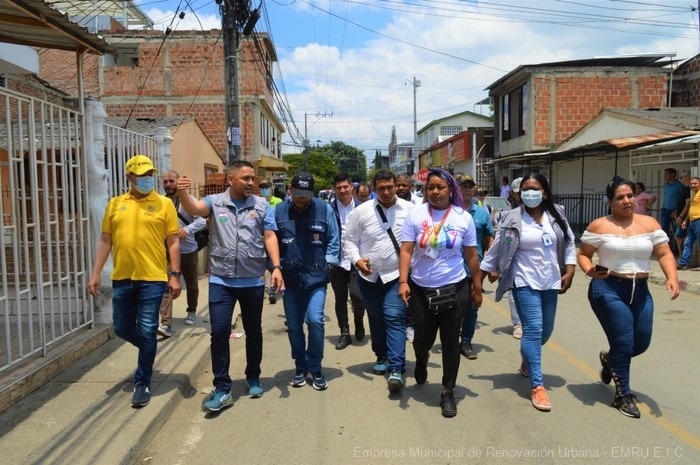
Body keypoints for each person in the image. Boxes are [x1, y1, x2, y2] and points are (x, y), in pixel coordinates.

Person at [176, 161, 284, 412]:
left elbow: (270, 235)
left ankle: (253, 376)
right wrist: (182, 192)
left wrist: (276, 267)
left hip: (252, 279)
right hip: (221, 280)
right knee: (219, 333)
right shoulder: (215, 202)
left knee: (253, 330)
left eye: (252, 179)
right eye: (245, 178)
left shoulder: (262, 205)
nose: (251, 183)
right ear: (231, 179)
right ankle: (222, 388)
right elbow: (194, 207)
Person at [578, 176, 679, 419]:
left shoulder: (650, 224)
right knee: (624, 343)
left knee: (640, 343)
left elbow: (664, 253)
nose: (626, 201)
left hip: (640, 290)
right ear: (610, 202)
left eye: (630, 196)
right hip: (608, 288)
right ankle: (622, 395)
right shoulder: (599, 226)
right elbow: (583, 254)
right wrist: (589, 270)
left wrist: (672, 278)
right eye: (620, 197)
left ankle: (610, 360)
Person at [88, 155, 182, 408]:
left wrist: (174, 275)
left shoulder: (164, 204)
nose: (146, 179)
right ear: (129, 177)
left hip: (153, 278)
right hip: (122, 278)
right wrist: (95, 273)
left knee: (148, 327)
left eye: (149, 174)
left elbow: (173, 241)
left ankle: (143, 382)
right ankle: (148, 346)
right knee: (121, 327)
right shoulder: (115, 204)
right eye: (141, 175)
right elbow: (105, 240)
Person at [480, 173, 576, 412]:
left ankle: (527, 358)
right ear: (518, 193)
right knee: (533, 330)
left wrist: (571, 268)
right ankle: (537, 385)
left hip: (551, 280)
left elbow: (569, 241)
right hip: (523, 281)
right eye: (525, 189)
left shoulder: (557, 213)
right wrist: (479, 279)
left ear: (544, 191)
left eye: (535, 188)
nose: (529, 193)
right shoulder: (511, 217)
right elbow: (497, 247)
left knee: (545, 331)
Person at [398, 169, 482, 418]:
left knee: (450, 340)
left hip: (455, 286)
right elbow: (406, 250)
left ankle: (448, 390)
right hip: (421, 287)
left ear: (450, 190)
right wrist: (403, 282)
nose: (435, 192)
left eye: (440, 187)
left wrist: (477, 287)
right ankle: (421, 358)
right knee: (422, 339)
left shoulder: (462, 217)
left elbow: (471, 255)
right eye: (431, 187)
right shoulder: (416, 215)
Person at [344, 170, 413, 391]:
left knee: (394, 316)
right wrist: (356, 260)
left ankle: (396, 368)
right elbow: (349, 240)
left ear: (396, 187)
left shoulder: (410, 210)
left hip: (397, 276)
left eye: (389, 187)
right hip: (369, 276)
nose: (386, 192)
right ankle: (381, 355)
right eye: (381, 188)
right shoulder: (361, 211)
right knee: (375, 316)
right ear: (374, 189)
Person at [274, 172, 339, 391]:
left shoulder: (324, 208)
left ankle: (316, 367)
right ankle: (300, 366)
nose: (302, 198)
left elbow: (334, 240)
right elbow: (271, 242)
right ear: (290, 190)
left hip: (316, 278)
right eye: (298, 193)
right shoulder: (278, 211)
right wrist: (275, 269)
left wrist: (327, 263)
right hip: (290, 279)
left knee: (315, 321)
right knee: (294, 326)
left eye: (306, 194)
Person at [157, 170, 207, 337]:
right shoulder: (160, 201)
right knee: (166, 284)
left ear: (178, 181)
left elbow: (202, 220)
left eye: (171, 181)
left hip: (187, 249)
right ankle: (166, 322)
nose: (168, 184)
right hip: (167, 250)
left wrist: (188, 229)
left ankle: (191, 310)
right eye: (165, 181)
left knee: (191, 283)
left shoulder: (189, 200)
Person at [454, 173, 494, 360]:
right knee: (452, 309)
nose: (468, 190)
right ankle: (451, 339)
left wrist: (493, 265)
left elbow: (489, 240)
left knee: (471, 308)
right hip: (451, 270)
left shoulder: (481, 213)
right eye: (463, 186)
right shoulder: (449, 211)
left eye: (470, 186)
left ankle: (466, 341)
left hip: (473, 269)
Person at [329, 173, 366, 349]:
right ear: (334, 189)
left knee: (358, 296)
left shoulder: (362, 208)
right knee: (340, 298)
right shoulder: (329, 209)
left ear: (352, 187)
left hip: (357, 259)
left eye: (345, 187)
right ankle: (344, 332)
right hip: (337, 260)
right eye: (339, 188)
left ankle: (359, 320)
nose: (343, 190)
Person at [507, 177, 524, 339]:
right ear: (513, 194)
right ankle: (518, 322)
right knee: (513, 292)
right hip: (514, 259)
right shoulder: (510, 214)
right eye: (520, 192)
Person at [677, 176, 700, 270]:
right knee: (688, 242)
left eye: (695, 183)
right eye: (691, 184)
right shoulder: (694, 194)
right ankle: (683, 263)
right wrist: (686, 220)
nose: (693, 185)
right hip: (693, 222)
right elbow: (691, 209)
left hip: (699, 221)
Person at [659, 168, 683, 237]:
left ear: (673, 174)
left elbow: (682, 199)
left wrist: (677, 210)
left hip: (674, 210)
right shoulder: (666, 185)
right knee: (663, 229)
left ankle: (676, 244)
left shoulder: (679, 185)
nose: (664, 176)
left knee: (676, 231)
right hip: (665, 209)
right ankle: (665, 243)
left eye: (666, 174)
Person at [673, 172, 691, 255]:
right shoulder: (684, 189)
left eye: (681, 178)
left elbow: (688, 204)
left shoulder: (689, 190)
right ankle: (683, 255)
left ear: (686, 177)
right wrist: (676, 212)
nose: (680, 180)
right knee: (680, 236)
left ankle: (683, 255)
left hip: (685, 217)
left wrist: (681, 216)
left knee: (679, 236)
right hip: (682, 216)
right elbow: (682, 203)